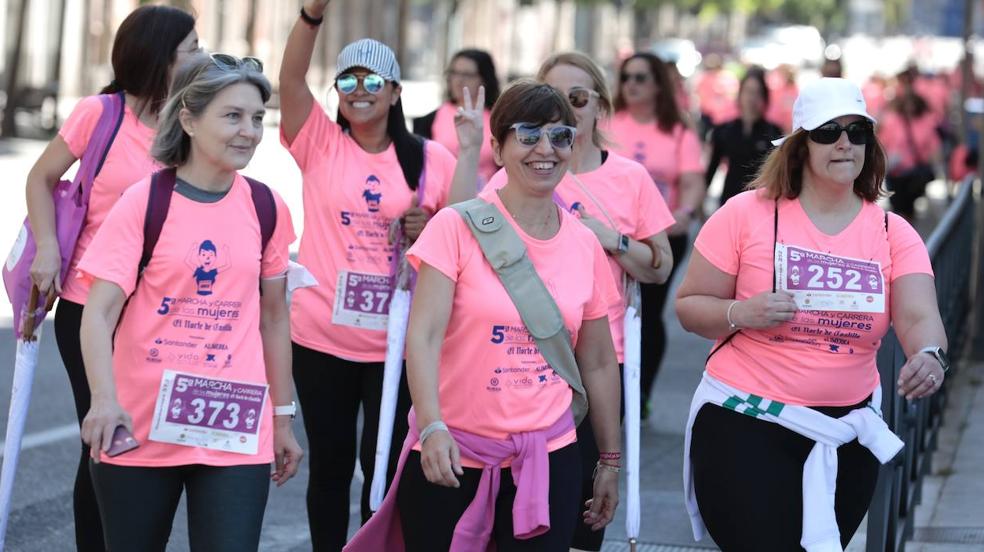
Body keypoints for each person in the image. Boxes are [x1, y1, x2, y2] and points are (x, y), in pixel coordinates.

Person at [346, 79, 623, 552]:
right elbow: (425, 335)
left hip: (548, 458)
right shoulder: (455, 227)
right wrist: (431, 427)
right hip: (450, 455)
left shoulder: (585, 245)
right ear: (497, 147)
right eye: (528, 134)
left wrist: (611, 461)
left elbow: (597, 361)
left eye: (560, 137)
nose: (545, 149)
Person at [675, 77, 948, 551]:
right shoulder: (744, 215)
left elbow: (919, 314)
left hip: (846, 435)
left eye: (857, 131)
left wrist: (928, 355)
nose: (844, 143)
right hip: (745, 421)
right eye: (827, 131)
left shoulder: (892, 231)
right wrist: (743, 311)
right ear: (800, 146)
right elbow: (690, 306)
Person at [77, 53, 302, 551]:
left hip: (234, 428)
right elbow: (99, 312)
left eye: (258, 117)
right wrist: (103, 399)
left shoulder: (267, 207)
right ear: (189, 120)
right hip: (137, 424)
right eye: (232, 115)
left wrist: (281, 419)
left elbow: (274, 317)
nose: (250, 131)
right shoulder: (144, 201)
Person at [278, 2, 483, 549]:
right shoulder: (320, 144)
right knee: (330, 464)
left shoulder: (426, 157)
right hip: (320, 336)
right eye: (347, 77)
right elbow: (291, 78)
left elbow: (465, 227)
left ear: (394, 92)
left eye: (374, 79)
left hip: (399, 342)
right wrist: (310, 16)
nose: (359, 87)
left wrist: (436, 212)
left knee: (385, 464)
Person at [22, 6, 198, 550]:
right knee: (101, 436)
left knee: (146, 441)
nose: (201, 56)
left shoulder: (191, 119)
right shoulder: (101, 114)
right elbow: (41, 176)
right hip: (90, 304)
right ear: (159, 56)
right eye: (191, 48)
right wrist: (48, 249)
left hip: (161, 311)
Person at [529, 51, 674, 551]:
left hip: (600, 361)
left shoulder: (629, 178)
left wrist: (611, 239)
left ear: (599, 107)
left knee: (586, 512)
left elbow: (660, 266)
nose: (566, 112)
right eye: (552, 100)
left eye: (578, 99)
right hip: (527, 357)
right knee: (527, 507)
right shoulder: (525, 169)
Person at [609, 52, 704, 418]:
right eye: (626, 77)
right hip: (612, 234)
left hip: (662, 235)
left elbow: (693, 181)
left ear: (657, 85)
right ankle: (610, 385)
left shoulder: (678, 130)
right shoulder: (609, 122)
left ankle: (642, 392)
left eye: (640, 78)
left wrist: (685, 212)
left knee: (648, 310)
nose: (630, 84)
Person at [413, 48, 501, 185]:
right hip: (441, 199)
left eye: (467, 74)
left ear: (484, 79)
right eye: (454, 73)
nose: (459, 80)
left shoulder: (499, 120)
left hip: (486, 200)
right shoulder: (430, 120)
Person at [705, 69, 783, 207]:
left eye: (757, 93)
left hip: (762, 202)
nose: (752, 98)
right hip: (730, 200)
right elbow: (711, 169)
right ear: (740, 94)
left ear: (764, 98)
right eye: (748, 91)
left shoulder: (773, 132)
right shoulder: (724, 130)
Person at [880, 69, 941, 220]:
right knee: (897, 208)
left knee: (907, 209)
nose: (909, 107)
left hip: (913, 172)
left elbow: (933, 145)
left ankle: (905, 233)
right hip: (894, 171)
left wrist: (932, 160)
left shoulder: (925, 121)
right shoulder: (892, 120)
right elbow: (882, 143)